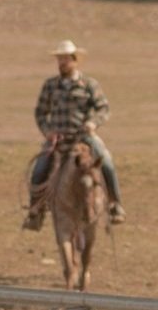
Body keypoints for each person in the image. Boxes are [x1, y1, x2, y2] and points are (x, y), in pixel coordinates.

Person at [23, 39, 121, 229]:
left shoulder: (89, 84)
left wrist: (93, 123)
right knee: (39, 168)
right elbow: (41, 113)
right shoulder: (50, 86)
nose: (62, 63)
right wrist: (47, 131)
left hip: (83, 137)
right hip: (58, 139)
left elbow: (103, 108)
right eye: (59, 59)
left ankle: (115, 205)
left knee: (106, 161)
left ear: (75, 61)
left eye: (65, 59)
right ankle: (35, 212)